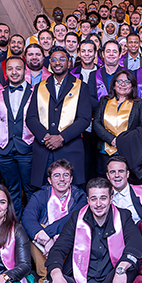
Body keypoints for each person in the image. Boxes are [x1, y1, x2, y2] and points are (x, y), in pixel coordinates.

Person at [25, 46, 93, 188]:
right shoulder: (40, 87)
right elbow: (31, 117)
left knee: (72, 193)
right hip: (44, 149)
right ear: (49, 63)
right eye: (53, 59)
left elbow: (84, 118)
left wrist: (61, 138)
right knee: (44, 193)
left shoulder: (81, 87)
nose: (57, 63)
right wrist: (46, 137)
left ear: (69, 62)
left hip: (70, 148)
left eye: (62, 59)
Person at [21, 160, 87, 283]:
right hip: (44, 245)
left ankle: (61, 278)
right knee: (34, 234)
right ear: (49, 180)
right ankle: (47, 280)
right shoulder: (40, 195)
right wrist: (44, 237)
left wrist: (49, 234)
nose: (62, 179)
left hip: (68, 240)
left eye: (65, 175)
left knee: (76, 233)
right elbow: (27, 218)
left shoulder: (80, 196)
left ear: (71, 179)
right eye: (57, 175)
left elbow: (73, 218)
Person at [0, 56, 35, 215]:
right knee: (11, 190)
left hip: (28, 148)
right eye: (10, 68)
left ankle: (32, 225)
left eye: (18, 68)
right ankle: (14, 224)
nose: (14, 72)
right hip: (4, 151)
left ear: (25, 71)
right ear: (5, 72)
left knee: (31, 189)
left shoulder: (36, 92)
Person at [94, 70, 142, 178]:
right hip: (105, 150)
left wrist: (124, 141)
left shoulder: (138, 104)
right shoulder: (104, 101)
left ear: (132, 85)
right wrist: (112, 139)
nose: (123, 85)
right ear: (114, 84)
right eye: (119, 81)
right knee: (104, 182)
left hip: (128, 152)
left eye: (127, 81)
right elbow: (96, 123)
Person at [106, 156, 142, 221]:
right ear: (108, 176)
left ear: (127, 174)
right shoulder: (104, 197)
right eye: (112, 172)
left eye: (121, 171)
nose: (117, 175)